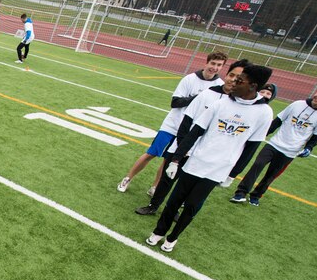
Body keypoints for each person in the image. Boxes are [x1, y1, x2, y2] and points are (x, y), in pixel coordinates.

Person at [146, 64, 274, 252]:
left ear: (253, 86)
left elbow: (251, 148)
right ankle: (159, 231)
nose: (234, 83)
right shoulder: (221, 103)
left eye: (240, 81)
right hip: (196, 161)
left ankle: (173, 237)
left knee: (191, 206)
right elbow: (195, 132)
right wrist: (176, 159)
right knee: (174, 201)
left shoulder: (264, 112)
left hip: (219, 168)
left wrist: (232, 175)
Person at [134, 58, 249, 216]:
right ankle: (153, 205)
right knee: (167, 178)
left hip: (203, 153)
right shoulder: (208, 94)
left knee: (185, 184)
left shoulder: (241, 106)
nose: (234, 80)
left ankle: (172, 210)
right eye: (232, 75)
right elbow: (187, 120)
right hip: (183, 146)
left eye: (239, 78)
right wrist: (183, 146)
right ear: (227, 74)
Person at [117, 51, 227, 193]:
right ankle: (128, 178)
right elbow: (175, 102)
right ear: (206, 63)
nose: (215, 67)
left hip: (189, 131)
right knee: (152, 153)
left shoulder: (220, 85)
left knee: (168, 160)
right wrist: (198, 98)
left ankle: (155, 187)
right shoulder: (190, 79)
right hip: (172, 126)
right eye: (213, 63)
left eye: (219, 65)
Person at [230, 83, 317, 206]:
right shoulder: (297, 104)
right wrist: (261, 134)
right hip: (274, 144)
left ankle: (256, 195)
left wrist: (308, 148)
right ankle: (240, 193)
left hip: (290, 152)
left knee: (271, 175)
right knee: (257, 165)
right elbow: (278, 121)